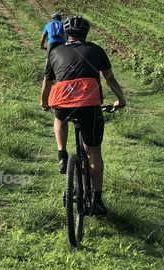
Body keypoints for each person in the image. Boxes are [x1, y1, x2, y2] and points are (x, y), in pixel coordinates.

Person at [41, 15, 126, 217]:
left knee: (59, 117)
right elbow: (109, 78)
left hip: (63, 102)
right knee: (93, 152)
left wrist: (44, 102)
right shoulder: (96, 50)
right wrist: (120, 100)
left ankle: (61, 153)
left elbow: (47, 82)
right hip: (90, 105)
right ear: (86, 33)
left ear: (65, 34)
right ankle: (97, 201)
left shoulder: (55, 51)